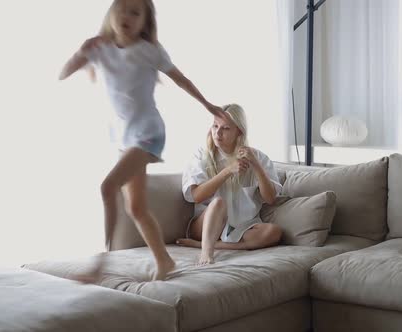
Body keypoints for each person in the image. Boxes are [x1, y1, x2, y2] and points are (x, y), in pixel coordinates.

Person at [58, 0, 225, 281]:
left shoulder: (150, 51)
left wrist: (207, 105)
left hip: (149, 133)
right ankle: (165, 261)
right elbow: (62, 73)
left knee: (107, 186)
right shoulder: (100, 48)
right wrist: (80, 52)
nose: (127, 16)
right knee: (135, 207)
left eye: (135, 12)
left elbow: (181, 79)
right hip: (125, 138)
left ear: (145, 22)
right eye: (122, 9)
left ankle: (102, 261)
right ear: (111, 13)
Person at [177, 104, 283, 266]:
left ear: (239, 131)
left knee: (273, 232)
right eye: (215, 126)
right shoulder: (201, 155)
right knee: (218, 202)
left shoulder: (258, 157)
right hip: (205, 225)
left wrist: (256, 165)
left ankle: (212, 245)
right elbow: (197, 196)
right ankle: (206, 252)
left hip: (242, 228)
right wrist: (227, 171)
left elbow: (270, 199)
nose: (217, 133)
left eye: (225, 128)